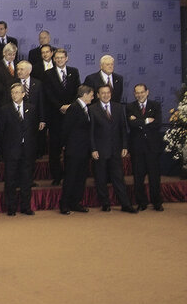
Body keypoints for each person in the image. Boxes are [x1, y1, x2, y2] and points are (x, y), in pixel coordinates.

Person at [89, 85, 137, 213]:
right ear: (98, 95)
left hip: (116, 149)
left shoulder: (119, 107)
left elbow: (123, 128)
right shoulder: (92, 109)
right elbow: (91, 132)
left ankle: (125, 204)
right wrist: (93, 149)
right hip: (100, 150)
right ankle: (105, 203)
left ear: (111, 94)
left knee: (118, 178)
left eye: (108, 93)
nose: (105, 95)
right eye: (102, 93)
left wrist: (125, 146)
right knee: (101, 178)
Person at [0, 83, 39, 216]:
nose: (14, 95)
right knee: (10, 180)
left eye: (17, 92)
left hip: (27, 150)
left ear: (23, 94)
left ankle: (26, 206)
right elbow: (2, 131)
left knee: (26, 180)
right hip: (11, 150)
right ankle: (11, 207)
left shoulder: (31, 108)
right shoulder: (5, 109)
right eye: (12, 93)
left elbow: (34, 131)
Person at [42, 48, 81, 185]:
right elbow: (48, 94)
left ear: (66, 58)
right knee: (55, 149)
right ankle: (57, 176)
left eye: (61, 57)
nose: (59, 60)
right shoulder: (48, 74)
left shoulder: (74, 72)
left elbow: (78, 91)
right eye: (56, 58)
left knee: (71, 147)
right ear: (53, 59)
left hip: (71, 116)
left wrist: (70, 106)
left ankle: (71, 175)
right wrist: (60, 106)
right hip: (55, 116)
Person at [126, 84, 164, 211]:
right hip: (137, 148)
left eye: (142, 92)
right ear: (134, 94)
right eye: (137, 92)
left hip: (153, 148)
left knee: (154, 177)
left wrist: (139, 121)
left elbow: (158, 123)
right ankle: (141, 202)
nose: (140, 95)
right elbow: (131, 124)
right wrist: (147, 121)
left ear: (147, 92)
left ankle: (157, 202)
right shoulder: (130, 106)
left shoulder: (155, 105)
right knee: (138, 177)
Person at [59, 85, 94, 214]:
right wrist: (65, 146)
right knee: (71, 177)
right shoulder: (74, 108)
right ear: (84, 95)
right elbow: (66, 128)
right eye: (91, 94)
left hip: (84, 150)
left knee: (81, 177)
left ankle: (75, 202)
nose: (93, 97)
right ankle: (64, 204)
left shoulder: (87, 109)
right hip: (74, 150)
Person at [15, 60, 47, 155]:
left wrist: (42, 119)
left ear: (29, 71)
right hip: (17, 119)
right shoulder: (12, 83)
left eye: (22, 69)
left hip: (33, 119)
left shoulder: (37, 84)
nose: (19, 71)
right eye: (18, 69)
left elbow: (41, 102)